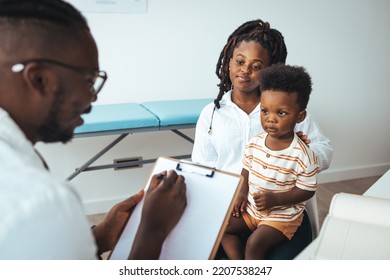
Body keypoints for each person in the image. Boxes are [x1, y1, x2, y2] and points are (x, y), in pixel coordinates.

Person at [0, 0, 186, 260]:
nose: (92, 97)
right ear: (39, 79)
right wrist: (153, 229)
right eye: (89, 81)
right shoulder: (39, 202)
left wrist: (98, 237)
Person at [192, 19, 333, 259]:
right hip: (232, 208)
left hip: (281, 210)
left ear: (270, 69)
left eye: (256, 66)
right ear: (228, 61)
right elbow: (202, 169)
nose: (245, 70)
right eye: (239, 61)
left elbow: (324, 150)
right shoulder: (213, 114)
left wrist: (298, 151)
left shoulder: (286, 109)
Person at [221, 64, 319, 259]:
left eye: (281, 113)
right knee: (222, 226)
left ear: (300, 116)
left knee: (254, 244)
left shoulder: (302, 154)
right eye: (265, 111)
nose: (270, 119)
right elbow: (246, 168)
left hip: (280, 217)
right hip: (252, 211)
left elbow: (308, 189)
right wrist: (241, 192)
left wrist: (276, 199)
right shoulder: (256, 143)